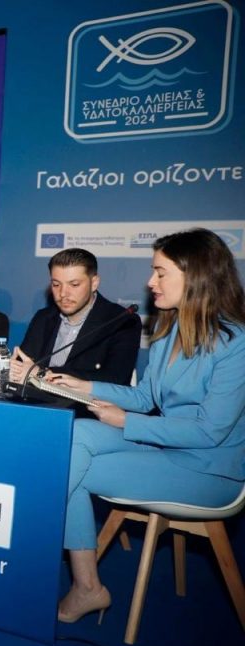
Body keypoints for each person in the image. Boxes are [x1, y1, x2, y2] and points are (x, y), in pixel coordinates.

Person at [48, 229, 245, 624]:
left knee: (70, 469)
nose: (150, 282)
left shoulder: (235, 342)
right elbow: (145, 397)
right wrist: (83, 386)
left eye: (160, 272)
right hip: (165, 447)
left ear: (196, 275)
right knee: (75, 435)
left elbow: (209, 432)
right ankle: (84, 583)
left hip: (210, 469)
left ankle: (70, 576)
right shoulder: (169, 330)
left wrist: (126, 421)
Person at [10, 248, 139, 386]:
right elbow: (25, 365)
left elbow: (115, 379)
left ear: (94, 283)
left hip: (87, 400)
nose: (63, 293)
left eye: (74, 284)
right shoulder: (43, 317)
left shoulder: (122, 321)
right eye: (56, 284)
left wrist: (43, 373)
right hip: (35, 398)